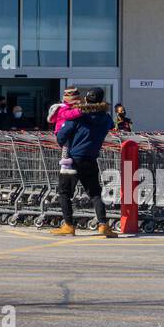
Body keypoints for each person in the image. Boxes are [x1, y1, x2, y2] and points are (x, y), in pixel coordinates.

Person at [51, 88, 116, 238]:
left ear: (86, 100)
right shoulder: (105, 118)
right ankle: (103, 225)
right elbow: (110, 125)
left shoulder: (78, 116)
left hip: (72, 160)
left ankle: (68, 225)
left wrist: (64, 143)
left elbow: (62, 134)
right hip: (91, 159)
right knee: (95, 193)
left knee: (64, 193)